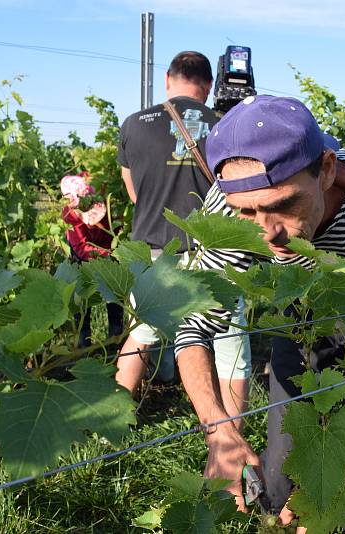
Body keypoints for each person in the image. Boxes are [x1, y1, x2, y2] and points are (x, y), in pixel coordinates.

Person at [172, 95, 345, 532]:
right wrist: (217, 429)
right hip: (297, 313)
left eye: (285, 205)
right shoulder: (230, 207)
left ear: (327, 169)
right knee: (279, 484)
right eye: (248, 212)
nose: (268, 232)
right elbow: (195, 323)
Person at [116, 51, 251, 421]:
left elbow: (133, 194)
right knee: (229, 338)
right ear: (208, 86)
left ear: (167, 79)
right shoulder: (225, 125)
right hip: (213, 250)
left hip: (153, 248)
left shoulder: (133, 124)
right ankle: (230, 430)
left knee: (144, 333)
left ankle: (113, 419)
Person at [61, 172, 124, 353]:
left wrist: (119, 247)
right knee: (82, 304)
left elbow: (117, 228)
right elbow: (81, 247)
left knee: (115, 299)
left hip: (110, 255)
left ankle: (115, 344)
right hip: (85, 259)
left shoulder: (102, 198)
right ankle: (84, 348)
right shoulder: (70, 215)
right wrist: (111, 253)